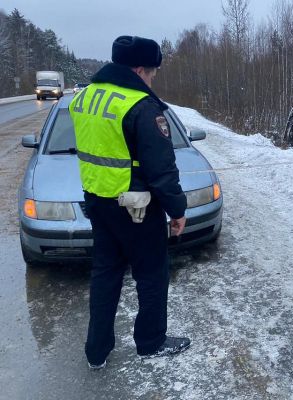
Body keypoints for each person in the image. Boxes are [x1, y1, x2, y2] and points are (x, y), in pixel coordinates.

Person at [69, 35, 191, 369]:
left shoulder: (84, 98)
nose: (151, 80)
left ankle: (97, 350)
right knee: (151, 274)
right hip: (136, 208)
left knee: (105, 275)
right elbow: (162, 170)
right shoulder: (140, 105)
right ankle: (151, 342)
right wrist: (177, 210)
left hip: (97, 202)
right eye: (151, 74)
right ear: (139, 70)